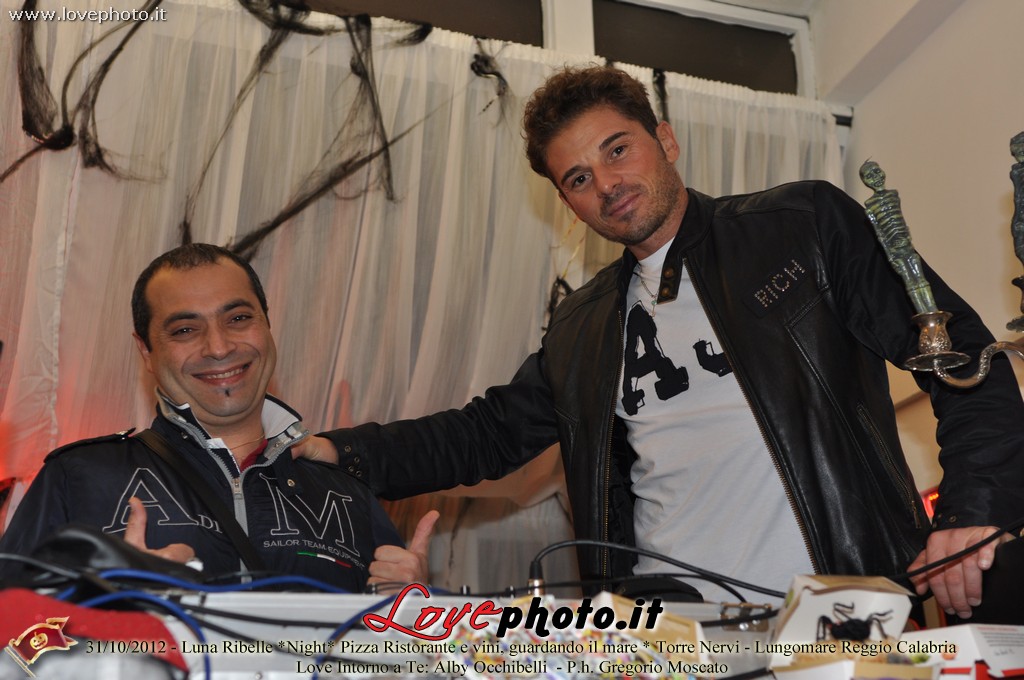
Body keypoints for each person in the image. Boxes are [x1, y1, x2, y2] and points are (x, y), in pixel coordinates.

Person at [306, 66, 1024, 620]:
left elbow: (962, 354)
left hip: (842, 616)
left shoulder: (801, 227)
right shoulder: (582, 328)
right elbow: (485, 433)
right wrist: (346, 452)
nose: (607, 184)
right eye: (579, 178)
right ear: (568, 203)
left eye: (618, 150)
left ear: (667, 141)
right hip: (666, 637)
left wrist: (973, 511)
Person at [0, 244, 437, 592]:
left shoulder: (345, 491)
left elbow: (401, 655)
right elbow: (14, 643)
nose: (219, 347)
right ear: (146, 351)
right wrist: (106, 605)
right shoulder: (79, 477)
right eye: (185, 330)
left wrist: (409, 615)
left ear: (267, 326)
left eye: (239, 318)